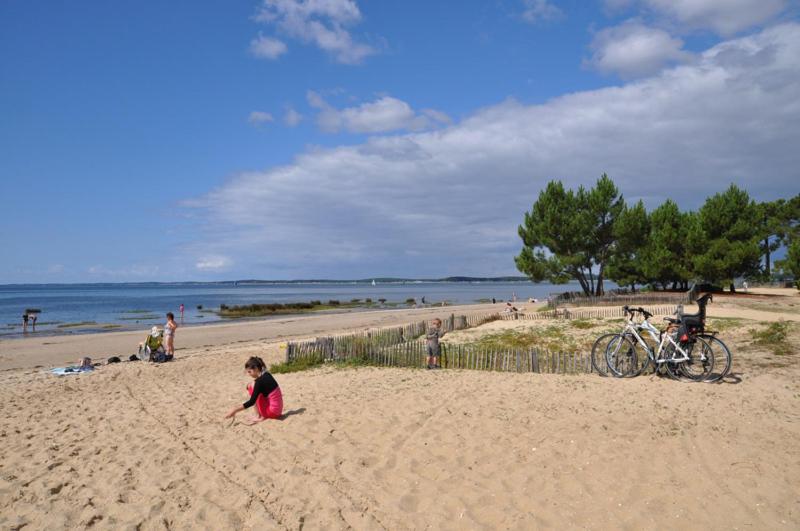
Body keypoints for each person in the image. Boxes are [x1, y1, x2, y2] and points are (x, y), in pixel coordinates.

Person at [224, 357, 283, 424]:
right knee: (252, 385)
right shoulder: (267, 374)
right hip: (278, 411)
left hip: (272, 413)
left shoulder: (259, 382)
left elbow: (251, 402)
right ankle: (259, 414)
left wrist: (234, 410)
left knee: (252, 387)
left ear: (256, 368)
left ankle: (258, 416)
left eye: (249, 372)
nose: (249, 374)